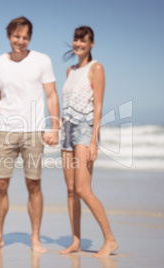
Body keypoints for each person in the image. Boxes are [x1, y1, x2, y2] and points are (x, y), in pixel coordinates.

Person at [0, 17, 60, 253]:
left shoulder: (42, 60)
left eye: (24, 37)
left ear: (30, 38)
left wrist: (54, 127)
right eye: (16, 36)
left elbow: (51, 95)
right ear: (9, 36)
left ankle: (35, 239)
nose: (20, 41)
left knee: (33, 184)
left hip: (34, 131)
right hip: (4, 129)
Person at [59, 26, 118, 257]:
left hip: (85, 130)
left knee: (83, 189)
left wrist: (94, 141)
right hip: (67, 130)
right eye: (76, 39)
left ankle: (110, 240)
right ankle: (75, 241)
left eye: (83, 40)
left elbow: (98, 106)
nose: (78, 44)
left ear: (91, 44)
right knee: (71, 190)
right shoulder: (69, 70)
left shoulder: (97, 68)